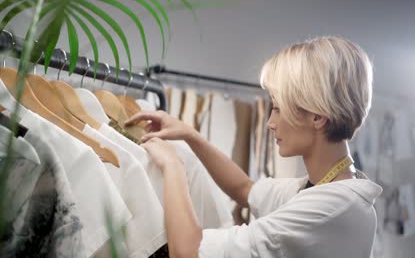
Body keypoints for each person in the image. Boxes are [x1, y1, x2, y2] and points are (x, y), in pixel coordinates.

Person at [125, 36, 383, 258]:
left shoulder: (331, 208)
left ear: (317, 117)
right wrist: (191, 136)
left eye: (279, 109)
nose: (271, 122)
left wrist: (173, 166)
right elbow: (244, 189)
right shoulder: (324, 188)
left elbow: (189, 252)